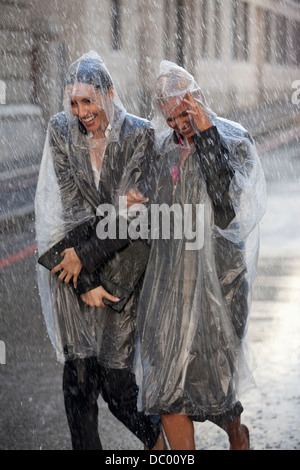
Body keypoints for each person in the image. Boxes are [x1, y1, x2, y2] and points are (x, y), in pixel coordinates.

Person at [125, 60, 266, 450]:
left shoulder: (233, 140)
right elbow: (151, 213)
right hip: (168, 287)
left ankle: (236, 433)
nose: (178, 125)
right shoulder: (161, 150)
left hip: (219, 287)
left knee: (212, 387)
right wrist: (136, 205)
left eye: (184, 113)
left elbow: (226, 206)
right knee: (168, 385)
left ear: (198, 99)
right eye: (170, 118)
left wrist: (204, 134)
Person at [35, 51, 164, 450]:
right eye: (73, 102)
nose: (81, 112)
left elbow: (133, 220)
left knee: (117, 386)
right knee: (78, 385)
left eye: (89, 100)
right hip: (74, 269)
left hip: (122, 268)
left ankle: (157, 443)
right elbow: (71, 208)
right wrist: (82, 276)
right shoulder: (61, 130)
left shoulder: (139, 135)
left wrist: (84, 257)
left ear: (110, 93)